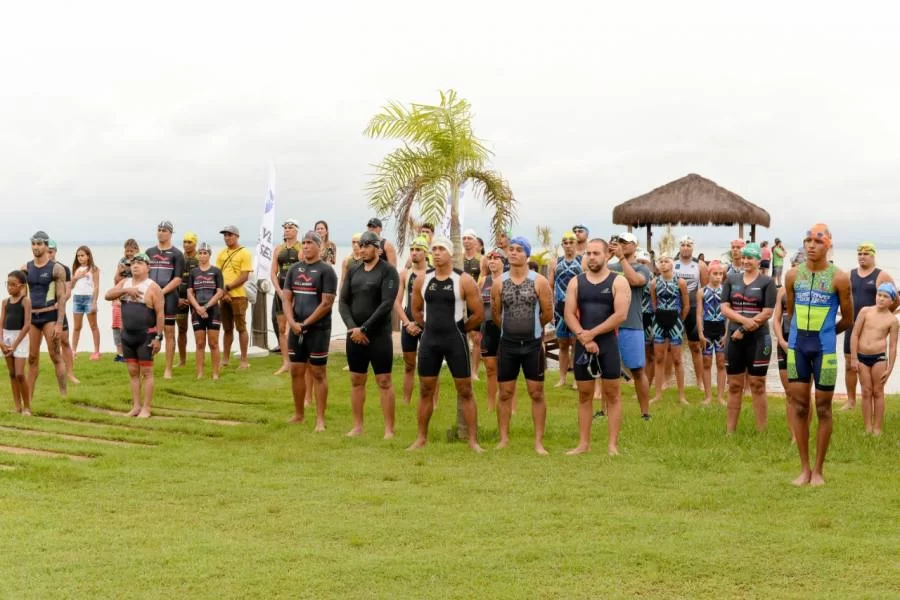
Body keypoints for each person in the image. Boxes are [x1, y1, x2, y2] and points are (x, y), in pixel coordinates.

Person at [785, 223, 853, 486]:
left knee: (823, 408)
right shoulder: (792, 275)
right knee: (800, 405)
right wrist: (801, 337)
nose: (811, 245)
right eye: (808, 240)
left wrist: (825, 335)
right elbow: (791, 313)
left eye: (818, 241)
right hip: (797, 347)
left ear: (829, 245)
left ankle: (819, 470)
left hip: (824, 349)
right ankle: (804, 468)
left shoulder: (839, 278)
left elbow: (848, 318)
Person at [407, 236, 484, 452]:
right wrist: (426, 327)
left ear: (450, 253)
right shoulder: (423, 279)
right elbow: (415, 310)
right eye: (434, 249)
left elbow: (478, 314)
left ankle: (472, 440)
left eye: (441, 249)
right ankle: (421, 438)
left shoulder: (464, 280)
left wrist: (461, 330)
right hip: (430, 340)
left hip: (455, 340)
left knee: (466, 390)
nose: (437, 252)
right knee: (425, 390)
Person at [564, 238, 630, 455]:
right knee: (584, 395)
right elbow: (568, 314)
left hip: (607, 343)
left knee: (612, 394)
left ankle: (612, 445)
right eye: (589, 253)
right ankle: (583, 444)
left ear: (606, 256)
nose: (592, 257)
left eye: (596, 253)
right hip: (584, 343)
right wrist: (584, 337)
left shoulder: (618, 281)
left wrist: (591, 334)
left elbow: (620, 315)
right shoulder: (576, 282)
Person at [491, 236, 554, 455]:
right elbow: (497, 314)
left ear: (527, 254)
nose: (514, 253)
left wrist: (534, 328)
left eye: (519, 249)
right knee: (505, 393)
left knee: (536, 392)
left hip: (532, 345)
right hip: (507, 345)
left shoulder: (539, 281)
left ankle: (538, 442)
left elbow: (548, 313)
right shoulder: (499, 282)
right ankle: (503, 439)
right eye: (511, 249)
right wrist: (509, 329)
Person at [339, 231, 399, 438]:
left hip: (378, 335)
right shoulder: (353, 270)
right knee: (356, 379)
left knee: (384, 380)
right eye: (360, 246)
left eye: (366, 246)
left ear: (377, 248)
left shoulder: (388, 271)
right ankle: (357, 426)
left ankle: (389, 429)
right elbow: (343, 301)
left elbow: (386, 304)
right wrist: (352, 328)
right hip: (354, 334)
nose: (362, 250)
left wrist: (364, 329)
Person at [284, 231, 338, 431]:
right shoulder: (294, 269)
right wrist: (291, 322)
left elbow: (326, 304)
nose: (305, 246)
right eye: (304, 243)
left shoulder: (326, 271)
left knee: (318, 372)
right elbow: (287, 298)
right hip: (296, 328)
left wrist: (306, 323)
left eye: (309, 243)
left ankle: (320, 420)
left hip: (318, 329)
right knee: (296, 370)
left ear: (319, 247)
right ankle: (299, 414)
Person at [721, 243, 776, 433]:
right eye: (743, 257)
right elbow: (725, 308)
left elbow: (768, 312)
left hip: (758, 339)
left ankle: (762, 431)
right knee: (734, 385)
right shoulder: (731, 279)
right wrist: (744, 322)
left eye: (750, 258)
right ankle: (730, 431)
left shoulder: (767, 282)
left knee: (757, 384)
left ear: (758, 261)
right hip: (734, 338)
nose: (745, 261)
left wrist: (744, 329)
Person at [104, 253, 164, 417]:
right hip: (127, 335)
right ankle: (136, 406)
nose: (135, 266)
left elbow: (160, 315)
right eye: (133, 263)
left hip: (146, 336)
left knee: (147, 372)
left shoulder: (153, 287)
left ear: (148, 267)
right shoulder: (125, 283)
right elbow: (107, 295)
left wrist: (159, 338)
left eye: (140, 263)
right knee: (132, 372)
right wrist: (126, 290)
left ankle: (147, 408)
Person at [842, 242, 895, 411]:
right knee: (850, 362)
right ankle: (851, 401)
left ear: (873, 256)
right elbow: (839, 294)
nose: (862, 256)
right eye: (859, 253)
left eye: (866, 254)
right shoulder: (849, 274)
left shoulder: (881, 275)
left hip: (870, 326)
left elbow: (895, 298)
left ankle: (874, 395)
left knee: (871, 364)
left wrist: (884, 317)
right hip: (852, 324)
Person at [609, 232, 653, 419]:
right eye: (620, 242)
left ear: (635, 246)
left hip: (632, 324)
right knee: (608, 370)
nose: (622, 245)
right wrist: (606, 254)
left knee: (637, 369)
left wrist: (620, 258)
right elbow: (587, 269)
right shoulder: (608, 266)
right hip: (609, 325)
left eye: (626, 243)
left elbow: (635, 281)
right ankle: (605, 410)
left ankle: (645, 412)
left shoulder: (642, 268)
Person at [849, 282, 897, 436]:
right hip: (862, 357)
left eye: (885, 297)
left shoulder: (892, 320)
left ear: (892, 301)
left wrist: (890, 368)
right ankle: (868, 427)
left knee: (878, 391)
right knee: (866, 391)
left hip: (879, 358)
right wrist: (854, 357)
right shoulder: (866, 311)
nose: (881, 299)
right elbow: (855, 334)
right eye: (879, 295)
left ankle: (877, 428)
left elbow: (893, 346)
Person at [23, 231, 68, 396]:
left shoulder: (56, 269)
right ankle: (28, 398)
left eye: (39, 244)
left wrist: (59, 323)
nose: (36, 247)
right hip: (33, 317)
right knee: (32, 358)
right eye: (33, 244)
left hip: (49, 316)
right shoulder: (26, 268)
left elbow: (62, 297)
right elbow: (21, 295)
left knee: (55, 356)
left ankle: (63, 395)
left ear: (46, 245)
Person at [146, 221, 185, 379]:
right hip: (150, 296)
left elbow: (177, 279)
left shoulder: (177, 254)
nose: (161, 233)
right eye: (159, 230)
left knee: (169, 332)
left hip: (168, 296)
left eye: (164, 230)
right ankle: (148, 366)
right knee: (149, 331)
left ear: (170, 233)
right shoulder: (149, 252)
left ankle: (168, 369)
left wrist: (161, 292)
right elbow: (143, 274)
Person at [395, 236, 431, 405]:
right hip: (408, 324)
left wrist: (423, 324)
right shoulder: (405, 274)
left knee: (431, 368)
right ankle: (406, 402)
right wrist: (407, 323)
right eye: (412, 250)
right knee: (409, 366)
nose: (414, 253)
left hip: (429, 326)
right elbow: (397, 302)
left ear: (426, 252)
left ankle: (434, 403)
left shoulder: (433, 273)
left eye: (418, 250)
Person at [651, 254, 689, 405]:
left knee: (677, 359)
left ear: (672, 264)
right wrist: (659, 316)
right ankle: (658, 394)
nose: (663, 264)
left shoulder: (680, 282)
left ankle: (681, 395)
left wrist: (680, 320)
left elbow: (686, 305)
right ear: (658, 265)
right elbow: (654, 303)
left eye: (666, 261)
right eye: (661, 261)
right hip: (659, 321)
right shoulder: (654, 282)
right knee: (659, 358)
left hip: (676, 321)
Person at [673, 236, 708, 397]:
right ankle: (667, 380)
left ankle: (699, 381)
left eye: (688, 245)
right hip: (675, 307)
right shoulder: (672, 263)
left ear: (692, 248)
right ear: (679, 247)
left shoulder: (699, 265)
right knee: (671, 345)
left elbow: (705, 290)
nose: (685, 247)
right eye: (683, 245)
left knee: (695, 346)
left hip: (693, 307)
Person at [215, 225, 253, 370]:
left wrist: (228, 288)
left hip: (238, 296)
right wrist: (223, 293)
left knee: (241, 328)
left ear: (237, 236)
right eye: (225, 235)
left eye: (230, 235)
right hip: (224, 296)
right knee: (227, 329)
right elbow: (217, 275)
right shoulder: (221, 254)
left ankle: (244, 360)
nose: (227, 238)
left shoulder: (245, 253)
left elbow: (244, 276)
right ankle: (225, 359)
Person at [186, 242, 224, 380]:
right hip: (197, 310)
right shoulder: (193, 272)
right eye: (200, 253)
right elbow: (190, 293)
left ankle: (215, 374)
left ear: (209, 254)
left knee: (213, 343)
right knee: (200, 343)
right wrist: (198, 308)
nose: (202, 255)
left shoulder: (216, 271)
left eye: (205, 253)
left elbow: (219, 292)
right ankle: (200, 373)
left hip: (213, 310)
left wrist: (206, 307)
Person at [550, 231, 582, 389]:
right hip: (560, 307)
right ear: (562, 245)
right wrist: (550, 308)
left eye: (571, 242)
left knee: (577, 343)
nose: (568, 245)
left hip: (577, 307)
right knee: (562, 344)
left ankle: (577, 378)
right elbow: (550, 286)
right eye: (565, 242)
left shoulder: (582, 262)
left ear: (576, 244)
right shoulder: (556, 262)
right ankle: (562, 378)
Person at [271, 219, 302, 375]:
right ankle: (286, 363)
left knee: (294, 328)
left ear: (296, 230)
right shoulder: (278, 249)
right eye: (285, 228)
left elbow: (304, 271)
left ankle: (298, 360)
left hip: (297, 292)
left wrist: (295, 292)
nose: (287, 230)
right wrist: (278, 290)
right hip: (281, 293)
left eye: (290, 228)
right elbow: (273, 273)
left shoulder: (301, 248)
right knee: (282, 329)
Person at [479, 248, 506, 412]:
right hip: (487, 326)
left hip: (504, 327)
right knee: (490, 368)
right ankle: (490, 404)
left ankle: (510, 405)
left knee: (506, 368)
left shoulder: (508, 279)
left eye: (496, 258)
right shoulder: (483, 281)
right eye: (490, 258)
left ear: (503, 262)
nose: (492, 261)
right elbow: (476, 304)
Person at [46, 240, 77, 384]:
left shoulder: (63, 268)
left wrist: (60, 303)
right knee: (47, 343)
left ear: (55, 251)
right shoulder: (36, 268)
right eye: (47, 251)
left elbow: (68, 290)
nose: (48, 254)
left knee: (64, 341)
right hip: (41, 312)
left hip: (58, 309)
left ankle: (70, 374)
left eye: (51, 251)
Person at [696, 261, 726, 406]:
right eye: (715, 274)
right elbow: (699, 313)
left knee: (721, 362)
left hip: (721, 329)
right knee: (706, 362)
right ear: (708, 274)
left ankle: (720, 396)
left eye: (720, 274)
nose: (718, 277)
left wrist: (727, 333)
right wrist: (700, 333)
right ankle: (708, 396)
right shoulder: (702, 291)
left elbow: (729, 313)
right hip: (707, 329)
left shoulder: (726, 291)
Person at [2, 271, 31, 414]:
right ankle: (17, 406)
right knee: (12, 373)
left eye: (13, 285)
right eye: (8, 284)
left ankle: (27, 407)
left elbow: (27, 325)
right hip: (6, 339)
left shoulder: (25, 301)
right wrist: (1, 343)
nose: (9, 287)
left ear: (22, 286)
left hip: (20, 338)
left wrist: (15, 344)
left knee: (20, 374)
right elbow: (1, 324)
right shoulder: (5, 302)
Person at [69, 245, 101, 360]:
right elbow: (71, 287)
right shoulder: (76, 269)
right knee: (77, 327)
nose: (80, 258)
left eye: (82, 255)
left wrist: (94, 302)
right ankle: (73, 351)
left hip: (89, 298)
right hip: (77, 299)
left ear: (88, 256)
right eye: (78, 256)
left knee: (93, 326)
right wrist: (75, 278)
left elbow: (96, 287)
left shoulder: (94, 269)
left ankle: (96, 352)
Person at [175, 232, 200, 369]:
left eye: (189, 242)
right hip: (181, 299)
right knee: (182, 329)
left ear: (195, 243)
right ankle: (182, 361)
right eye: (184, 242)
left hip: (196, 300)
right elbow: (175, 279)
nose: (186, 245)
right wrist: (178, 298)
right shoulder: (179, 258)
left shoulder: (200, 258)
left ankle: (199, 360)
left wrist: (195, 299)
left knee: (199, 330)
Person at [112, 239, 139, 362]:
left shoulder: (139, 261)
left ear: (136, 250)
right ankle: (120, 353)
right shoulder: (121, 261)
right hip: (121, 295)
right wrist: (120, 270)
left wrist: (130, 269)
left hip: (134, 295)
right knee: (117, 325)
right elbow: (116, 279)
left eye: (131, 251)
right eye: (127, 250)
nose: (129, 253)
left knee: (131, 325)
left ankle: (132, 352)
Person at [462, 229, 484, 377]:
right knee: (461, 336)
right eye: (464, 238)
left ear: (475, 241)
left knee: (476, 338)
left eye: (469, 238)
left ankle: (474, 372)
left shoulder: (482, 259)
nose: (466, 241)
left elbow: (482, 280)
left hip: (475, 301)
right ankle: (463, 369)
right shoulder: (457, 258)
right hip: (460, 302)